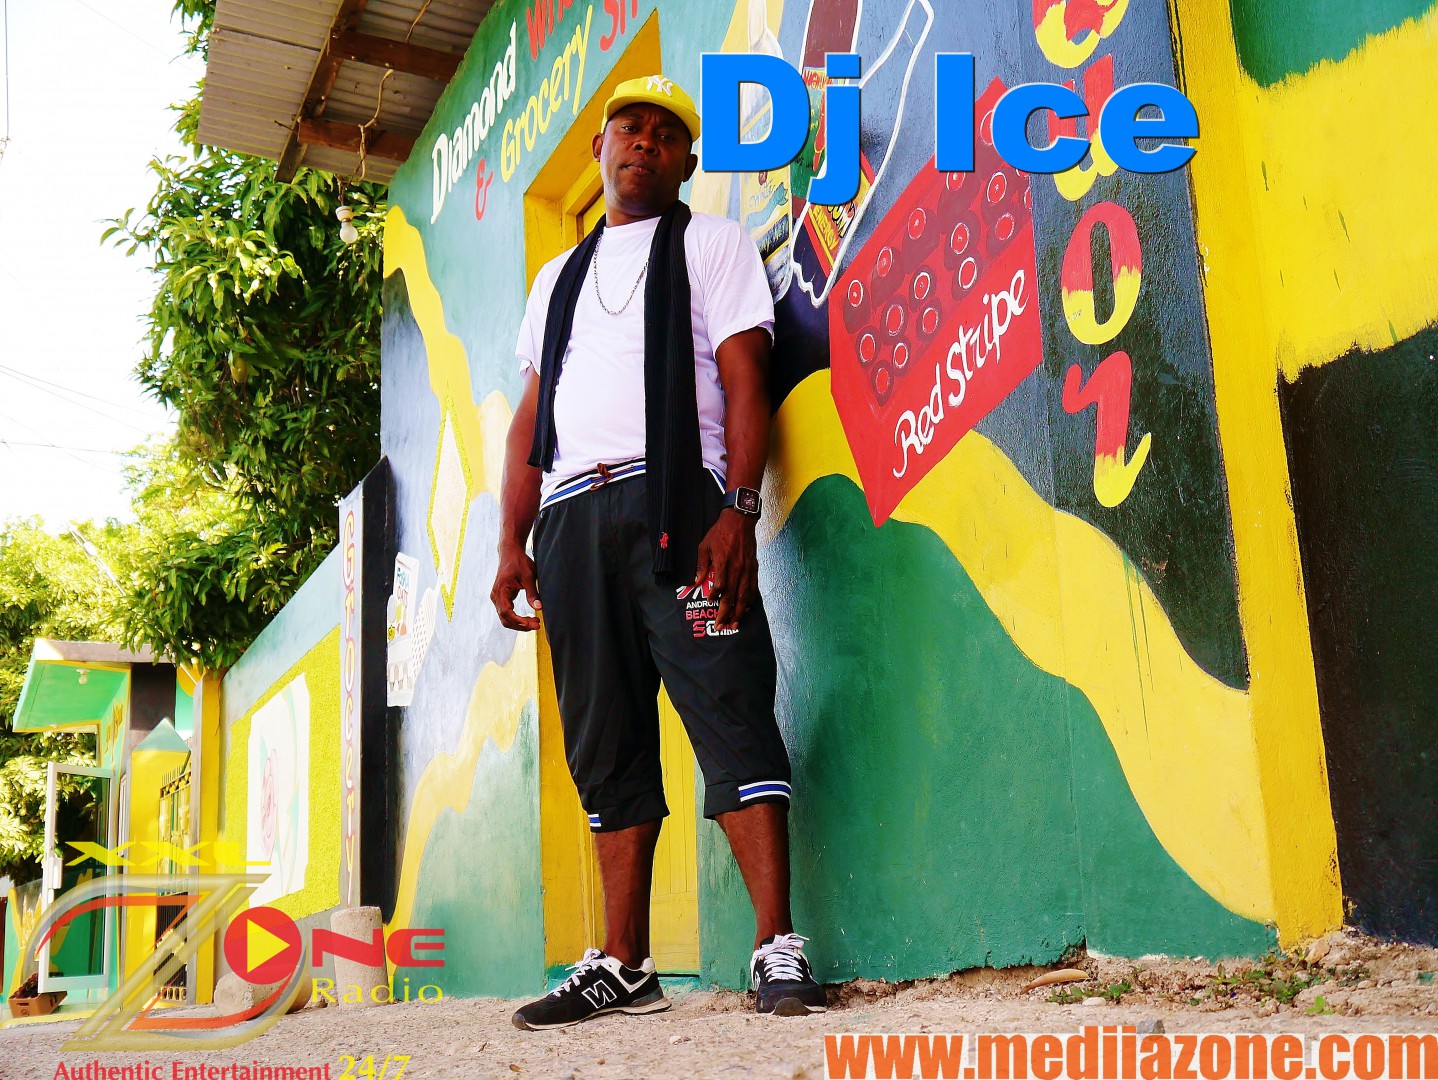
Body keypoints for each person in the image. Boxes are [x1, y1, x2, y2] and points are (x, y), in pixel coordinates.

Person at [490, 74, 827, 1030]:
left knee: (729, 703)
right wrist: (511, 541)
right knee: (605, 743)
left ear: (685, 160)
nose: (643, 141)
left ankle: (776, 944)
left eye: (665, 133)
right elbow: (530, 421)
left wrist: (738, 509)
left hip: (680, 503)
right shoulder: (556, 280)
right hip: (570, 519)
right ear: (600, 149)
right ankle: (625, 962)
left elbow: (746, 379)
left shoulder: (712, 244)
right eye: (627, 127)